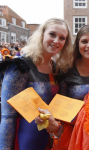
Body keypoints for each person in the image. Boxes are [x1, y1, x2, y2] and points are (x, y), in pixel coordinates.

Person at [0, 18, 73, 150]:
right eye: (52, 34)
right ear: (42, 34)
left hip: (51, 140)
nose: (56, 41)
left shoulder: (57, 68)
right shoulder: (21, 66)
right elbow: (7, 116)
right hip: (26, 139)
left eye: (62, 38)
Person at [52, 24, 89, 149]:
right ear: (78, 44)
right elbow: (61, 108)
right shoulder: (66, 69)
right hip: (74, 134)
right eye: (84, 41)